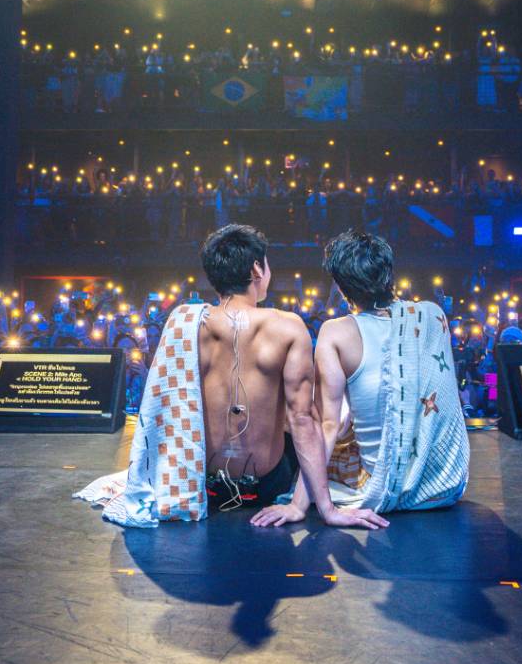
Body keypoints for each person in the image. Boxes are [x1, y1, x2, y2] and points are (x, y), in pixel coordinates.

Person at [76, 224, 386, 530]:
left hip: (202, 484)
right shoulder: (288, 327)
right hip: (266, 486)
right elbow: (302, 419)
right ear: (257, 268)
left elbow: (165, 405)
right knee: (313, 418)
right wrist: (327, 510)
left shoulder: (184, 322)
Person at [253, 229, 468, 527]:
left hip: (383, 484)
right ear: (389, 273)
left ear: (342, 288)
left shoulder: (335, 332)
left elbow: (326, 426)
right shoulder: (432, 315)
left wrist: (298, 505)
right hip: (443, 484)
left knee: (309, 432)